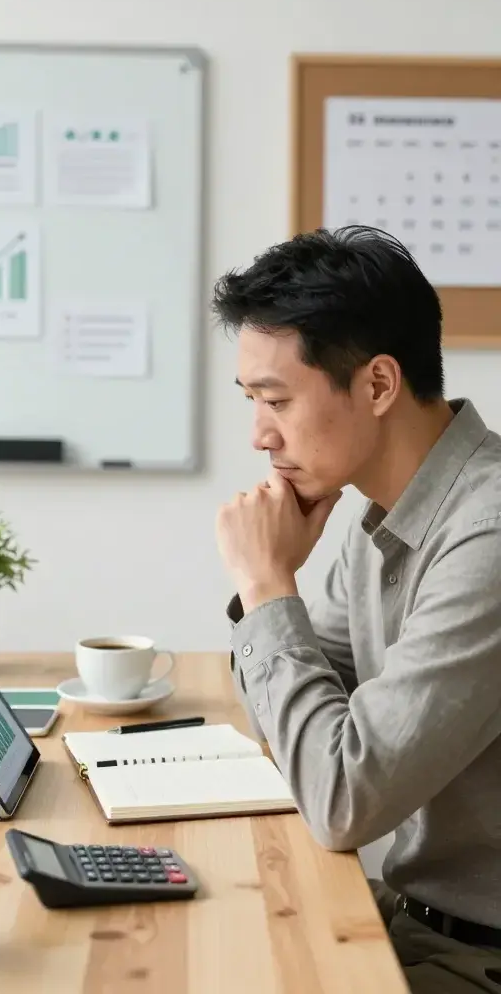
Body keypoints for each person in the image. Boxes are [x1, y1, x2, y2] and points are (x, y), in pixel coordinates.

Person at [213, 226, 501, 994]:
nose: (258, 435)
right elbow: (296, 727)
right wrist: (269, 595)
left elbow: (341, 796)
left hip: (474, 959)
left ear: (377, 385)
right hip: (412, 920)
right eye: (251, 401)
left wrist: (266, 584)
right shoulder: (387, 514)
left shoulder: (488, 538)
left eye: (276, 400)